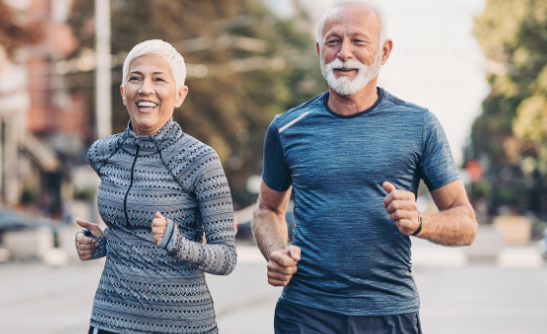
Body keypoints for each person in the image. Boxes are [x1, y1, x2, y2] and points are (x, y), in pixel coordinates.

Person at [252, 1, 478, 333]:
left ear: (384, 52)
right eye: (333, 41)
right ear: (319, 50)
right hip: (305, 313)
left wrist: (419, 222)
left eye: (359, 41)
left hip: (388, 314)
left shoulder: (420, 125)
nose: (344, 53)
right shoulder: (286, 129)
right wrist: (277, 252)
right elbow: (266, 209)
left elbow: (466, 223)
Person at [75, 39, 237, 334]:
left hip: (183, 325)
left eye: (158, 79)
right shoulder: (103, 153)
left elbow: (226, 258)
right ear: (124, 92)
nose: (145, 88)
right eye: (135, 78)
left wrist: (179, 245)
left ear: (179, 94)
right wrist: (101, 243)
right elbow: (133, 233)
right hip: (111, 321)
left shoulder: (200, 160)